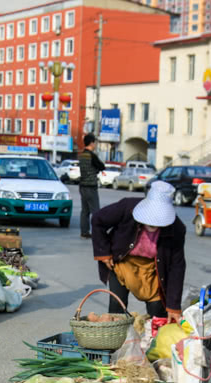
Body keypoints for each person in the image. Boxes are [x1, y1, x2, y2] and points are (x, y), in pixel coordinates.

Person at [91, 180, 185, 322]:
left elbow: (177, 267)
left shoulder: (177, 229)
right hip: (122, 264)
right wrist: (103, 253)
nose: (153, 223)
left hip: (152, 271)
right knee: (117, 310)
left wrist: (174, 306)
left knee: (157, 313)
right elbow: (98, 220)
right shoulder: (127, 207)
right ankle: (118, 342)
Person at [78, 133, 106, 239]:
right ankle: (98, 233)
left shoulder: (81, 155)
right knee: (96, 211)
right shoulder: (92, 156)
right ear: (91, 143)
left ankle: (84, 232)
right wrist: (97, 170)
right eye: (94, 142)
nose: (95, 144)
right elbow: (101, 166)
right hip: (91, 186)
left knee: (84, 211)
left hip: (82, 186)